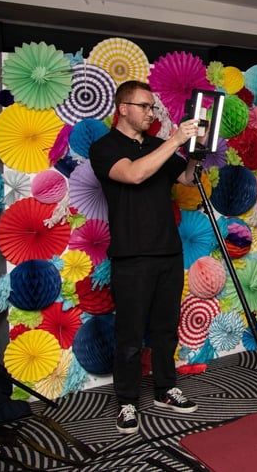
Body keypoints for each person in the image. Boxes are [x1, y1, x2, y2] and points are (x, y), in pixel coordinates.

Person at [89, 80, 200, 435]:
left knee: (166, 329)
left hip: (169, 250)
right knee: (130, 335)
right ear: (123, 108)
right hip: (132, 256)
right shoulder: (104, 147)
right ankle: (127, 401)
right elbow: (135, 174)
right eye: (144, 106)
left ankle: (166, 388)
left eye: (153, 107)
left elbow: (186, 180)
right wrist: (175, 140)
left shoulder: (156, 145)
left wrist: (195, 152)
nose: (151, 113)